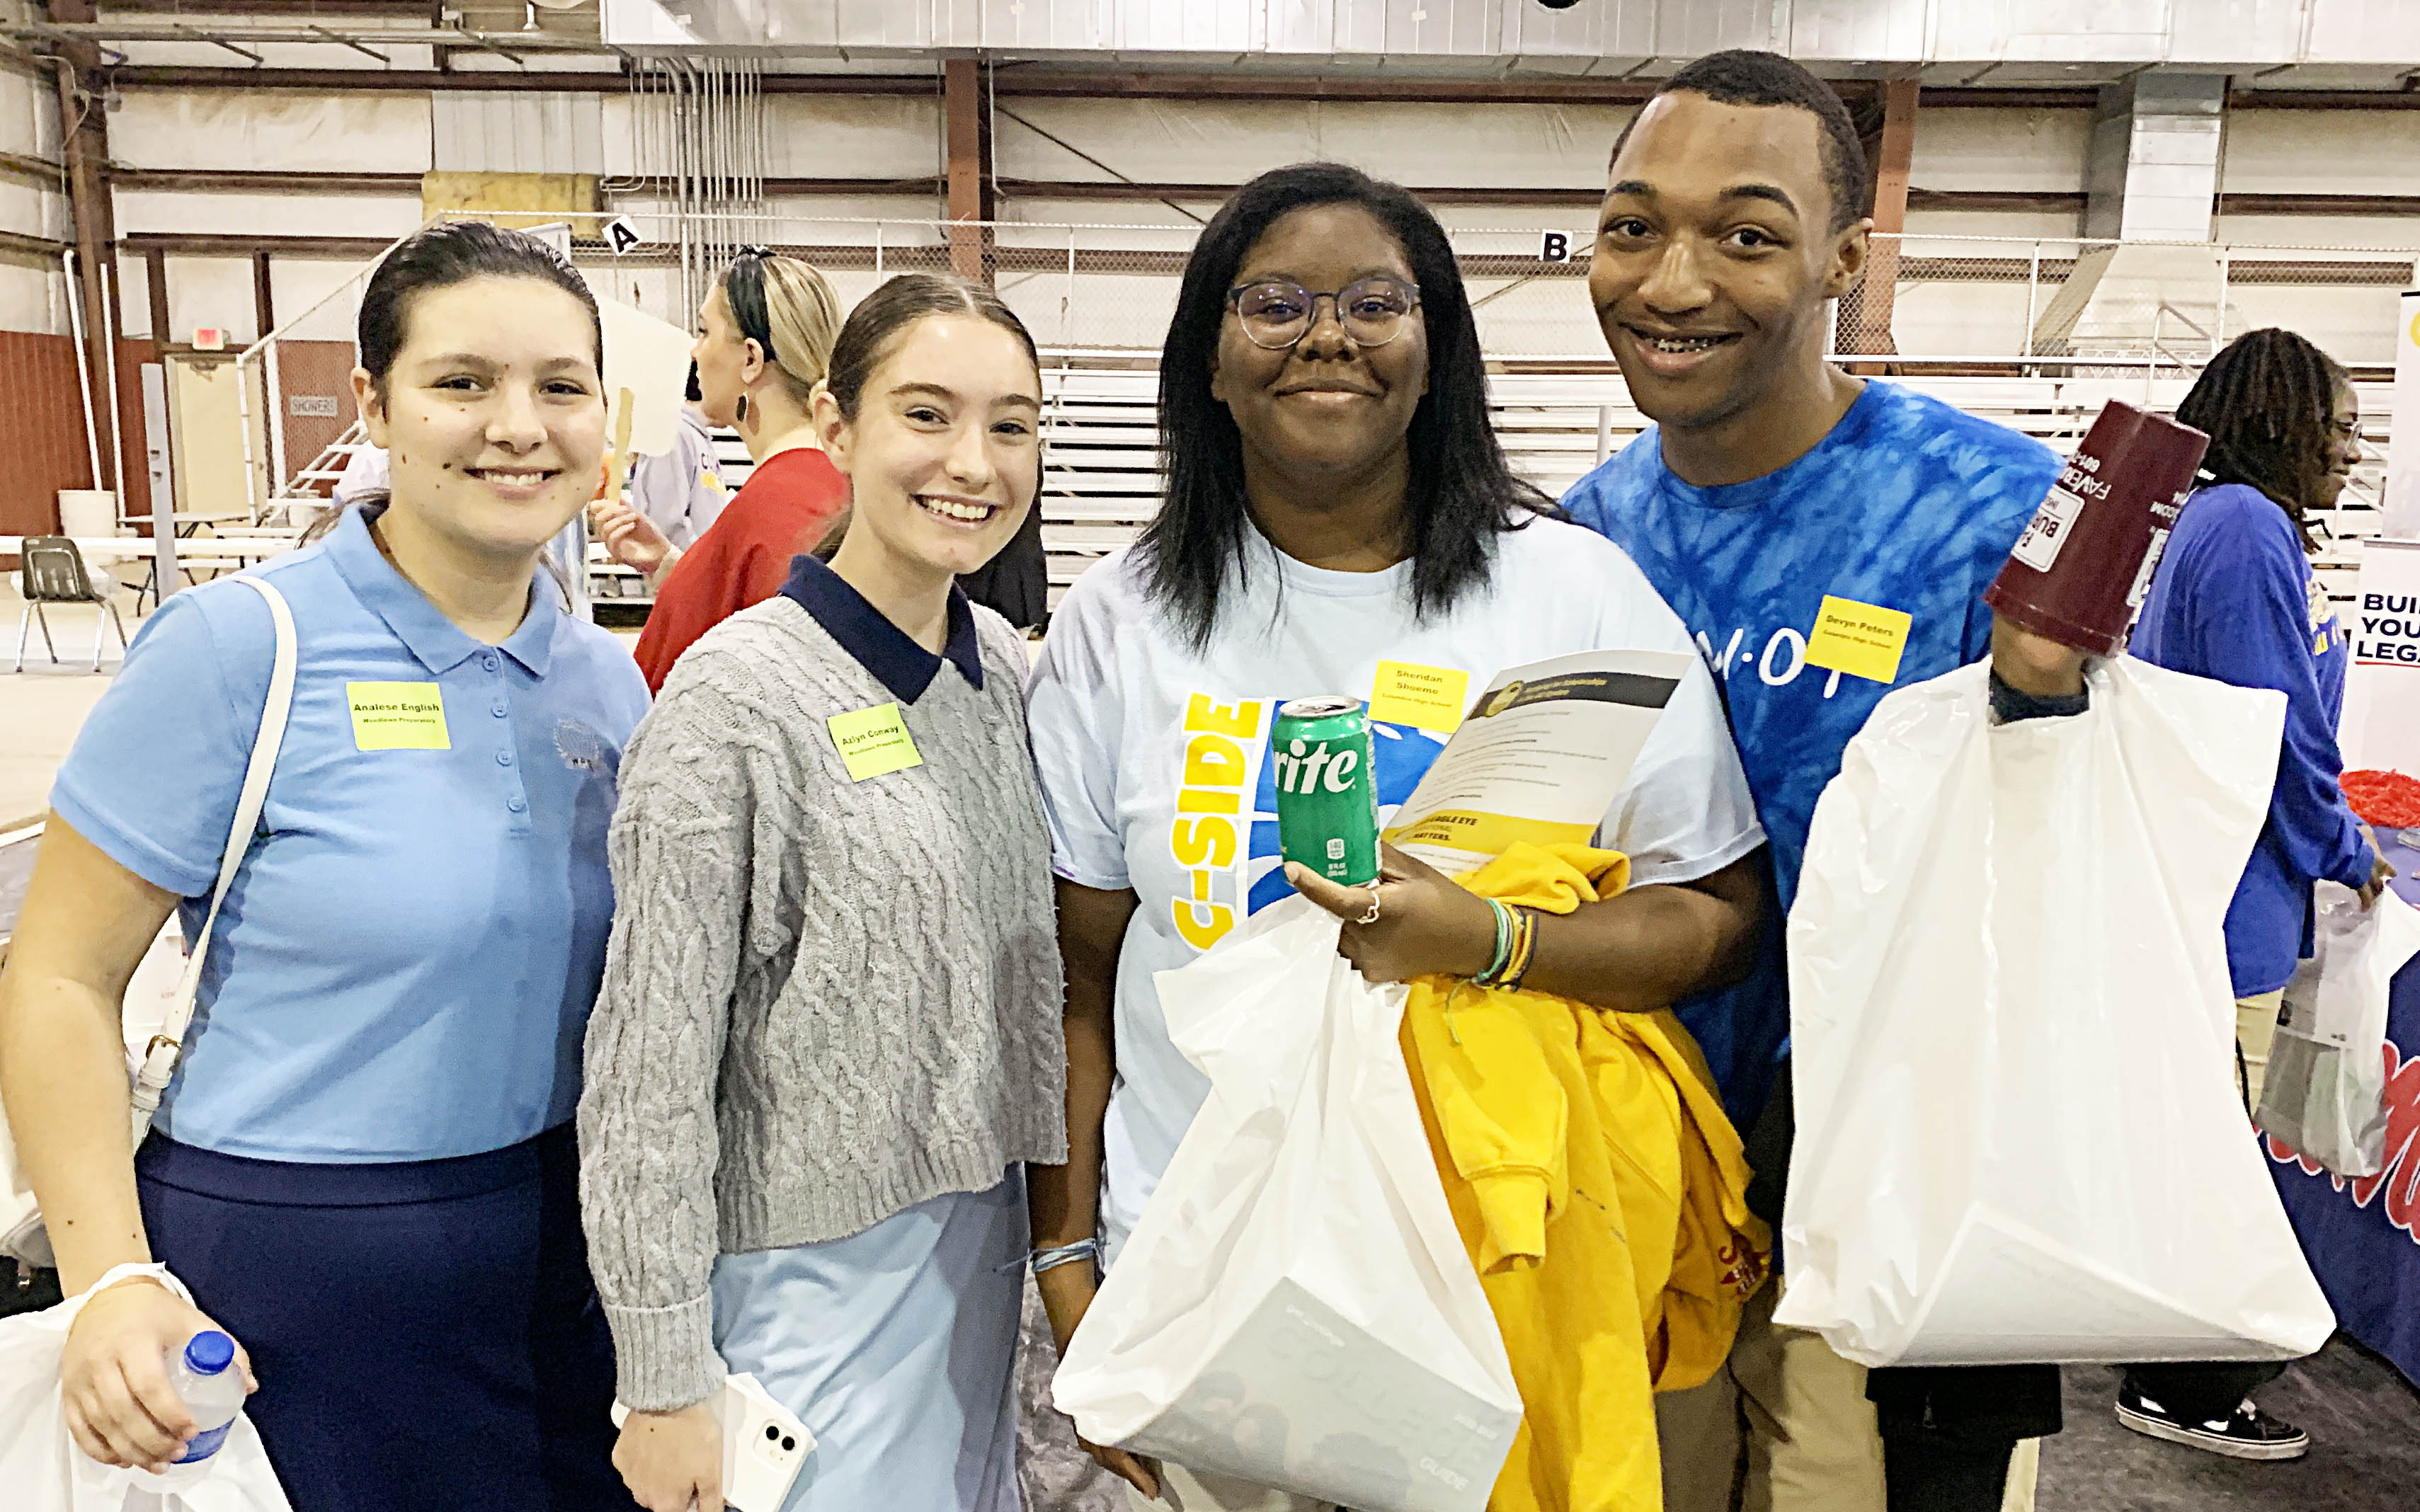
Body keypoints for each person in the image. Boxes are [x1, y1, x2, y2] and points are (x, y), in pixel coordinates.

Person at [1023, 161, 1770, 1512]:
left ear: (1436, 356)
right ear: (1206, 360)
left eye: (1376, 301)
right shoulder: (1119, 624)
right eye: (1273, 303)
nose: (1326, 334)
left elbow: (1712, 913)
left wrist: (1491, 941)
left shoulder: (1568, 594)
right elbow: (1078, 980)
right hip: (1204, 1275)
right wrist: (1066, 1259)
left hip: (1497, 1272)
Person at [0, 220, 649, 1507]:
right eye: (461, 382)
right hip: (292, 1275)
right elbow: (61, 975)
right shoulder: (241, 649)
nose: (516, 425)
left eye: (559, 387)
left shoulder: (604, 684)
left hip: (558, 1256)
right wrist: (112, 1278)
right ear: (375, 404)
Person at [1558, 49, 2093, 1512]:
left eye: (1743, 233)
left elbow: (2084, 860)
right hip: (1640, 1175)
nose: (1671, 281)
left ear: (1839, 261)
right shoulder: (1580, 536)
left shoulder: (1990, 513)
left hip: (1888, 1205)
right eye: (1629, 226)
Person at [580, 273, 1066, 1512]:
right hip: (801, 1279)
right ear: (839, 427)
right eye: (927, 414)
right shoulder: (735, 699)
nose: (973, 461)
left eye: (1010, 424)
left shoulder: (1005, 674)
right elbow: (647, 1069)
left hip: (973, 1260)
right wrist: (663, 1377)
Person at [2121, 327, 2394, 1462]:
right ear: (2278, 421)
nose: (2348, 451)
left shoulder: (2228, 525)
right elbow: (2266, 727)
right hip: (2224, 900)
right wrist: (2342, 845)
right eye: (2334, 427)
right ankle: (2187, 1383)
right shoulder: (2241, 528)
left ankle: (2182, 1370)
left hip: (2225, 890)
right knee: (2217, 1156)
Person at [609, 248, 850, 692]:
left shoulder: (784, 506)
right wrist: (674, 568)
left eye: (705, 332)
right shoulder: (815, 487)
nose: (694, 351)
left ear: (751, 360)